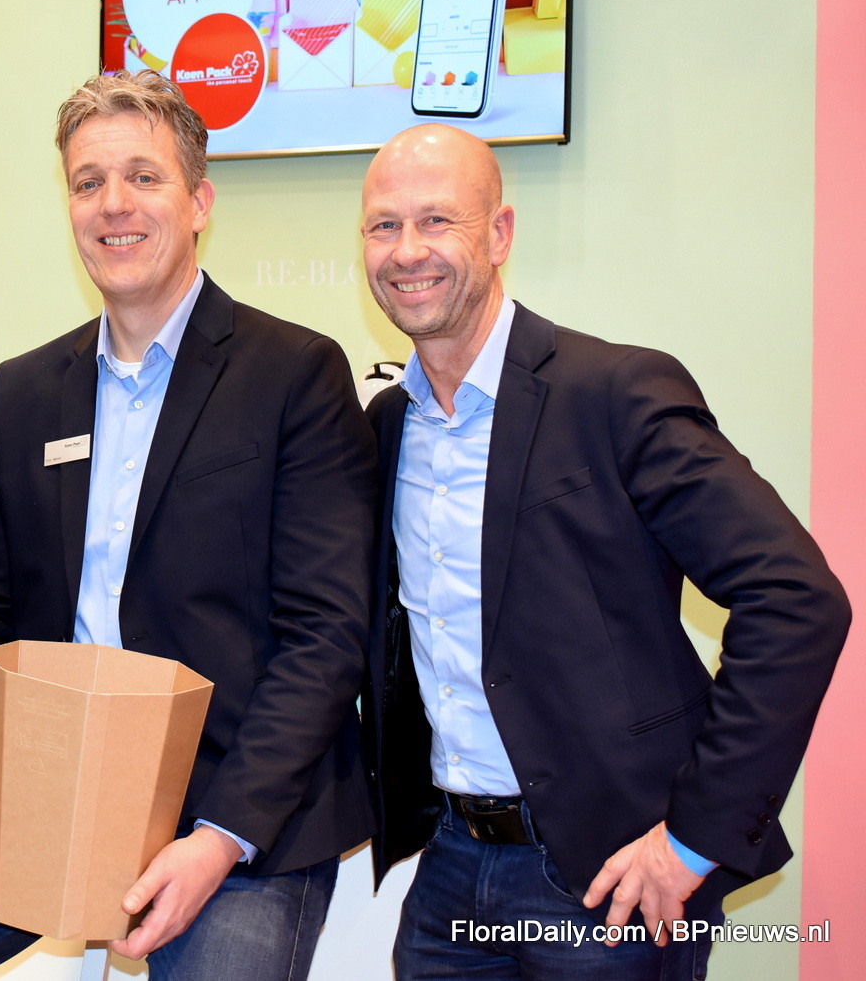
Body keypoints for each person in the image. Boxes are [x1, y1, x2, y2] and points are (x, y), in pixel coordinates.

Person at [0, 70, 378, 980]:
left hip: (237, 809)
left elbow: (326, 636)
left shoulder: (295, 374)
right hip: (39, 787)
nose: (113, 204)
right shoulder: (25, 393)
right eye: (88, 182)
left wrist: (218, 840)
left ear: (200, 202)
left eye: (144, 177)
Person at [358, 123, 851, 979]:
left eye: (437, 220)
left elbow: (796, 597)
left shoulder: (614, 393)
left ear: (499, 234)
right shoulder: (386, 427)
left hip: (607, 876)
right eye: (383, 226)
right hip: (449, 872)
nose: (407, 251)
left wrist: (694, 841)